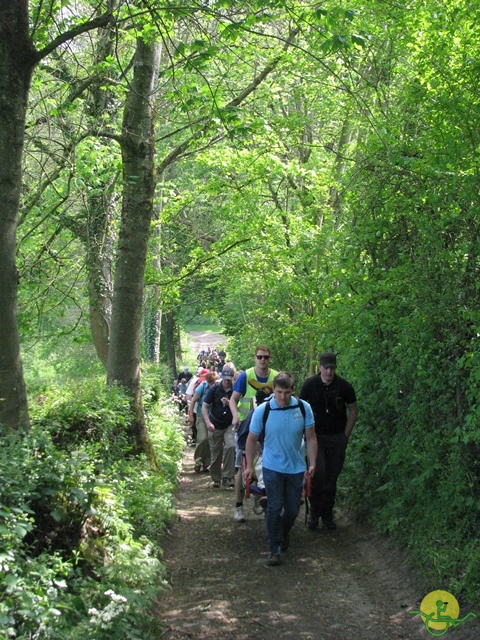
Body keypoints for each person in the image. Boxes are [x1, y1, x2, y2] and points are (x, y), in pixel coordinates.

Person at [244, 372, 317, 566]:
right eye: (278, 392)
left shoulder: (303, 408)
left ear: (293, 390)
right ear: (273, 391)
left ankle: (282, 534)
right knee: (275, 507)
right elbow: (251, 439)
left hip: (295, 468)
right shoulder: (264, 410)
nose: (282, 397)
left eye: (286, 392)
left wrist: (313, 463)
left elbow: (310, 437)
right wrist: (249, 467)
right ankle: (274, 549)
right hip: (272, 466)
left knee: (292, 509)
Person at [299, 351, 358, 531]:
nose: (329, 372)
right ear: (320, 367)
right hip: (315, 438)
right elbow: (299, 409)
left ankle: (327, 515)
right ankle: (314, 514)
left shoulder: (344, 387)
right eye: (326, 368)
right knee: (318, 474)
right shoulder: (310, 385)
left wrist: (345, 436)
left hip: (336, 438)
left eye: (332, 368)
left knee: (332, 478)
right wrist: (304, 434)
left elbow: (354, 410)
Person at [229, 345, 277, 523]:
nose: (262, 360)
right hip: (246, 427)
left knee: (269, 461)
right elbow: (234, 399)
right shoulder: (246, 376)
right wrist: (235, 416)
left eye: (265, 357)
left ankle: (263, 495)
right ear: (255, 357)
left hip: (271, 428)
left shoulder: (276, 377)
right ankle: (239, 506)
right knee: (243, 467)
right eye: (259, 357)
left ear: (269, 358)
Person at [202, 366, 236, 489]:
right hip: (215, 424)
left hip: (229, 425)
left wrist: (230, 404)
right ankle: (216, 478)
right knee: (216, 452)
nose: (227, 381)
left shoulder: (235, 390)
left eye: (229, 379)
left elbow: (240, 406)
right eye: (225, 379)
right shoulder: (214, 389)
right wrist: (207, 423)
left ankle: (228, 477)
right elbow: (204, 407)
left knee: (231, 446)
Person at [187, 372, 218, 473]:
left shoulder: (218, 388)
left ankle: (206, 464)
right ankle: (198, 461)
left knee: (210, 440)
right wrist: (191, 415)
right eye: (210, 382)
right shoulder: (202, 387)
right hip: (201, 416)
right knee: (202, 438)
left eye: (213, 381)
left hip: (212, 417)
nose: (211, 384)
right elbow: (193, 401)